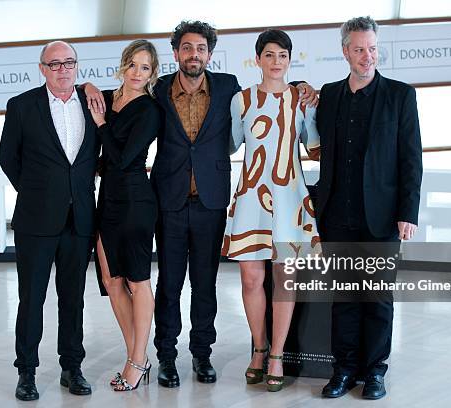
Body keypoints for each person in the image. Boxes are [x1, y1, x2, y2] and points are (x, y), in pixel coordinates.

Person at [83, 20, 317, 388]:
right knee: (169, 285)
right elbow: (124, 90)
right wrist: (88, 85)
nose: (194, 55)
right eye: (187, 48)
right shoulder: (156, 88)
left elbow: (273, 92)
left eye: (201, 49)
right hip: (168, 200)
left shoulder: (228, 89)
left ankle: (202, 355)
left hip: (211, 201)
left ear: (209, 53)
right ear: (176, 53)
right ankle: (166, 358)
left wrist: (303, 88)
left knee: (205, 285)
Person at [311, 16, 422, 400]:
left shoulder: (400, 95)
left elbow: (411, 159)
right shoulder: (328, 95)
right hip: (337, 215)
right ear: (345, 51)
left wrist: (408, 212)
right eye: (359, 49)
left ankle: (375, 371)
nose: (367, 56)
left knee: (376, 298)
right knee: (343, 298)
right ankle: (343, 371)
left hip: (382, 217)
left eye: (372, 48)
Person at [0, 41, 99, 401]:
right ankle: (26, 372)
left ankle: (72, 367)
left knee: (73, 299)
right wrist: (38, 192)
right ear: (42, 68)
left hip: (80, 219)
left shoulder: (93, 103)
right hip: (36, 220)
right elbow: (8, 157)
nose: (62, 69)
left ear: (77, 66)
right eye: (54, 64)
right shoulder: (22, 106)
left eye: (69, 62)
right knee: (32, 299)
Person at [221, 29, 320, 392]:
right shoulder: (241, 101)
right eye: (269, 55)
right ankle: (259, 348)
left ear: (289, 60)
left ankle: (277, 353)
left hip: (290, 200)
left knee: (285, 279)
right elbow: (231, 142)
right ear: (258, 59)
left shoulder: (302, 99)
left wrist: (316, 100)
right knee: (250, 278)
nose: (276, 62)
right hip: (251, 198)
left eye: (283, 55)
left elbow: (314, 145)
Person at [89, 39, 161, 392]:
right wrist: (88, 87)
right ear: (123, 65)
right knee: (111, 280)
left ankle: (136, 361)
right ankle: (139, 356)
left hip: (135, 201)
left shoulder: (149, 110)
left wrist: (101, 123)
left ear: (152, 74)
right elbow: (80, 89)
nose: (136, 73)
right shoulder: (109, 97)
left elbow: (124, 158)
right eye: (132, 64)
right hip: (108, 202)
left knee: (136, 281)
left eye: (144, 68)